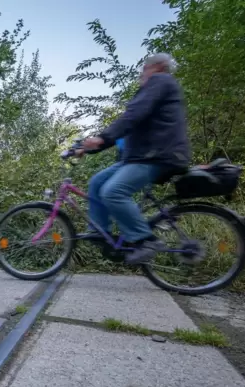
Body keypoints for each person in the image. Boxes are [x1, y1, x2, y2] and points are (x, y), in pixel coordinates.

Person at [80, 53, 190, 264]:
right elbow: (127, 128)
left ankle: (145, 240)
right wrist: (89, 148)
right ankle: (99, 233)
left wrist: (102, 137)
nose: (141, 75)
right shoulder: (156, 88)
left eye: (143, 70)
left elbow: (133, 115)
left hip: (158, 156)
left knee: (113, 192)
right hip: (141, 156)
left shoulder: (161, 80)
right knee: (97, 182)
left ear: (155, 67)